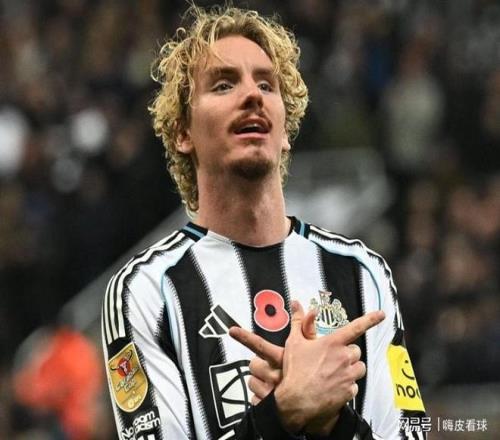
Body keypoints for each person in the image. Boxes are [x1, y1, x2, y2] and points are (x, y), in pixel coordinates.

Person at [102, 4, 427, 440]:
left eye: (266, 84)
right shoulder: (147, 290)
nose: (252, 95)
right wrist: (281, 415)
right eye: (223, 84)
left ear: (285, 130)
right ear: (182, 132)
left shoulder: (363, 274)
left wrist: (332, 423)